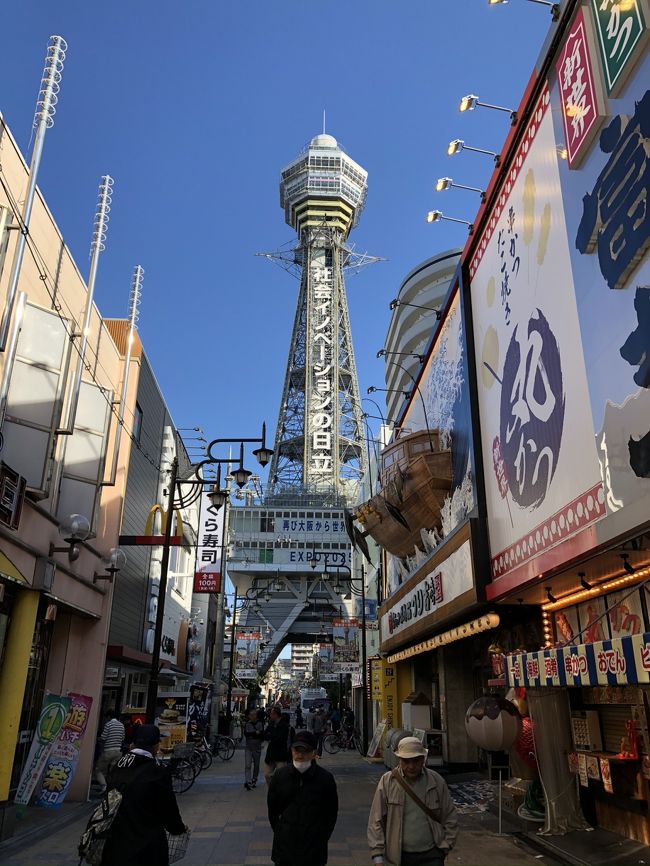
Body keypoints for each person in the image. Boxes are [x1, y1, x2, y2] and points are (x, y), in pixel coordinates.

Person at [101, 724, 187, 866]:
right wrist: (178, 829)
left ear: (133, 745)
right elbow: (169, 810)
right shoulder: (157, 773)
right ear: (155, 746)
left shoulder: (118, 768)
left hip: (116, 845)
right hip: (147, 848)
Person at [367, 737, 458, 866]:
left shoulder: (436, 781)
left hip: (432, 855)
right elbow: (376, 819)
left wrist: (446, 846)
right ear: (399, 760)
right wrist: (377, 856)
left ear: (423, 759)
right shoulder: (388, 781)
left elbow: (450, 815)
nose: (411, 766)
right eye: (406, 761)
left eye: (416, 761)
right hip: (400, 857)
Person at [267, 731, 338, 866]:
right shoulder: (280, 776)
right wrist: (281, 832)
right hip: (284, 849)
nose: (300, 755)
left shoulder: (325, 779)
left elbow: (331, 814)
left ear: (313, 753)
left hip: (314, 849)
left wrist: (320, 839)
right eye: (296, 750)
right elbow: (273, 810)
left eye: (305, 751)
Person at [94, 710, 125, 794]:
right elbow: (122, 738)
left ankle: (104, 786)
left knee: (98, 770)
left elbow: (103, 737)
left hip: (108, 751)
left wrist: (97, 738)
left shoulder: (108, 724)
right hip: (118, 752)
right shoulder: (121, 725)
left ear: (108, 716)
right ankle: (112, 789)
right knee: (113, 772)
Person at [263, 707, 290, 782]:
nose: (270, 715)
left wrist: (271, 736)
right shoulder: (271, 724)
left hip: (280, 754)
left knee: (281, 776)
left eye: (271, 714)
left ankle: (279, 791)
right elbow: (264, 735)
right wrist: (270, 736)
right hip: (271, 754)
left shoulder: (284, 725)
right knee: (267, 774)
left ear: (276, 715)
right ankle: (272, 791)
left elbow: (279, 738)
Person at [244, 709, 264, 790]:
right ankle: (248, 781)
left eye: (254, 715)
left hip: (257, 747)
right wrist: (255, 733)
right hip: (248, 747)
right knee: (247, 765)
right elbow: (246, 734)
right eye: (250, 715)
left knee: (256, 765)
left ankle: (254, 779)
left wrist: (252, 734)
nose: (252, 716)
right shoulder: (247, 724)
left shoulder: (260, 723)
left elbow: (261, 734)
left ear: (256, 715)